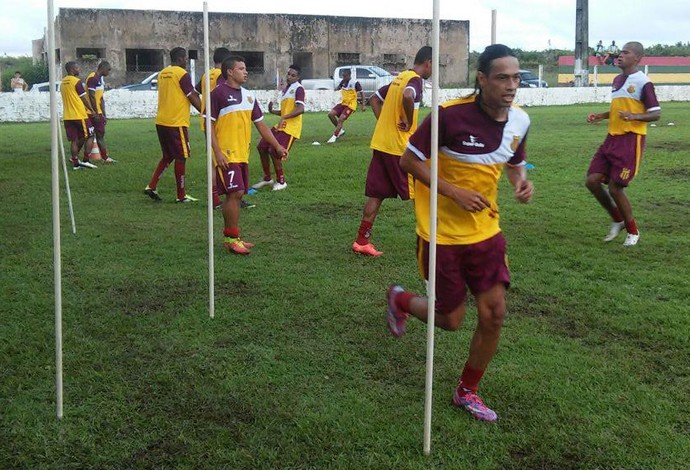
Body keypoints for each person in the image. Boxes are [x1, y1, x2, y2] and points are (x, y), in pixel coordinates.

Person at [387, 44, 534, 423]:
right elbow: (408, 162)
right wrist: (453, 191)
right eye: (502, 77)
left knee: (494, 314)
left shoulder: (520, 121)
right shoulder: (448, 117)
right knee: (450, 320)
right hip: (441, 235)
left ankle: (467, 391)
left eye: (516, 78)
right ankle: (402, 300)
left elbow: (515, 161)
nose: (511, 85)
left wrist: (521, 181)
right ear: (482, 79)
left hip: (487, 233)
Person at [351, 46, 432, 257]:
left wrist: (385, 124)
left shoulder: (400, 77)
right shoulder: (414, 80)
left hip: (381, 144)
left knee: (376, 194)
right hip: (399, 149)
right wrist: (407, 119)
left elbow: (374, 99)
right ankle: (434, 240)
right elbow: (408, 96)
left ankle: (361, 241)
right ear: (428, 62)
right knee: (421, 193)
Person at [209, 55, 288, 254]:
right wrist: (217, 152)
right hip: (226, 154)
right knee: (234, 194)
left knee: (237, 194)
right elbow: (207, 125)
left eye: (245, 69)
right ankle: (232, 238)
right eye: (241, 68)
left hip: (243, 153)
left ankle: (232, 237)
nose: (246, 72)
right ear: (229, 71)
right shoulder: (217, 94)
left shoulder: (248, 96)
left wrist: (277, 146)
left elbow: (261, 125)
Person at [585, 41, 660, 246]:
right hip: (611, 138)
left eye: (625, 53)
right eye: (620, 52)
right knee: (592, 180)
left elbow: (656, 114)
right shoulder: (617, 79)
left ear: (637, 58)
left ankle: (633, 231)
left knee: (615, 188)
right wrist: (601, 115)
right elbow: (619, 109)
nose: (619, 55)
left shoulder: (644, 82)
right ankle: (617, 219)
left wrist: (632, 115)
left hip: (630, 139)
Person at [144, 47, 202, 203]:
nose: (186, 62)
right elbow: (191, 96)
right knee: (182, 157)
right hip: (176, 122)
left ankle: (152, 185)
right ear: (181, 59)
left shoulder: (163, 73)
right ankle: (181, 195)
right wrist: (205, 111)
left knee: (168, 156)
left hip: (161, 121)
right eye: (185, 59)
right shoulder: (181, 74)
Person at [252, 65, 305, 192]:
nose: (289, 77)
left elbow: (300, 109)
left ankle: (281, 181)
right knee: (262, 146)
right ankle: (267, 178)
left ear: (298, 77)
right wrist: (273, 111)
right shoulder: (286, 89)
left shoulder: (298, 89)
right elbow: (285, 111)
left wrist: (285, 116)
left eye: (293, 75)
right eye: (288, 74)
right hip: (281, 125)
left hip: (291, 128)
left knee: (274, 150)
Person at [196, 46, 231, 208]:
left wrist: (203, 107)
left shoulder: (206, 75)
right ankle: (230, 193)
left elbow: (196, 90)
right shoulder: (220, 75)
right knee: (224, 158)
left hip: (206, 121)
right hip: (218, 122)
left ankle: (215, 197)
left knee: (213, 160)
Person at [60, 61, 98, 170]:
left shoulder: (63, 82)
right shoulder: (76, 81)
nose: (79, 69)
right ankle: (86, 160)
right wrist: (92, 110)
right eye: (77, 68)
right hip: (79, 115)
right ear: (72, 69)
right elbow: (83, 97)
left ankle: (76, 163)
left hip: (67, 116)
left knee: (74, 140)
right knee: (90, 135)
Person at [86, 61, 116, 164]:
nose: (109, 72)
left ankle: (82, 158)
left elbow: (101, 98)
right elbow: (91, 96)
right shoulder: (93, 78)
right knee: (95, 135)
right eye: (108, 70)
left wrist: (104, 113)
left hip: (98, 112)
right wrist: (95, 112)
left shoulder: (100, 79)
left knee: (98, 134)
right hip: (91, 113)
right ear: (102, 68)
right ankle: (100, 158)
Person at [326, 69, 366, 143]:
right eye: (343, 76)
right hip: (343, 103)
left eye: (345, 76)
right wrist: (334, 89)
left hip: (351, 105)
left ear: (349, 75)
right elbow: (338, 88)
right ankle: (340, 131)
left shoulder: (355, 83)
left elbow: (362, 93)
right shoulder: (343, 81)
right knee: (330, 114)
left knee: (341, 118)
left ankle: (334, 136)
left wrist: (363, 105)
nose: (343, 78)